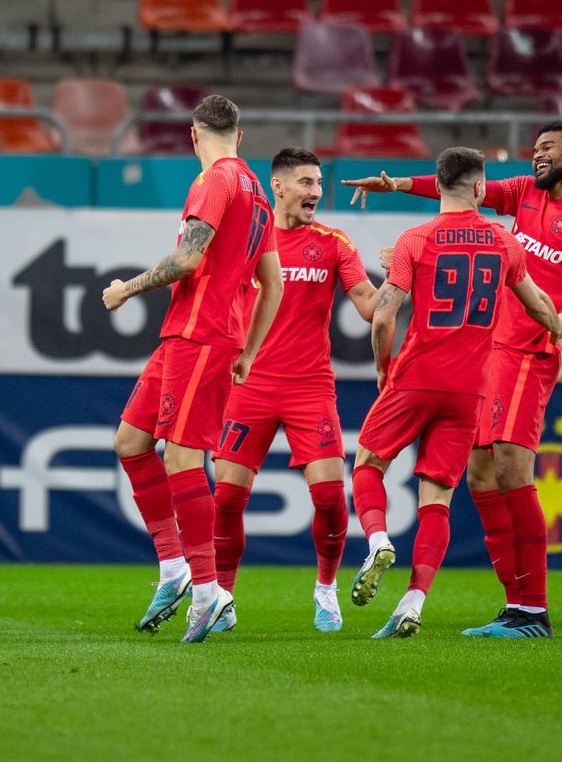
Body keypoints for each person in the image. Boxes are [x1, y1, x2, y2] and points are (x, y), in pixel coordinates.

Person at [342, 121, 562, 639]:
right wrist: (398, 185)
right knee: (478, 477)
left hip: (528, 353)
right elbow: (462, 189)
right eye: (534, 148)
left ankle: (533, 611)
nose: (536, 156)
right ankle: (515, 606)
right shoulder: (519, 195)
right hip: (484, 357)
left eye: (547, 148)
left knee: (514, 472)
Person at [104, 95, 283, 643]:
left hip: (201, 333)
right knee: (130, 442)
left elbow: (187, 259)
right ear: (241, 133)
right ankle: (174, 569)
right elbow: (271, 284)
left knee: (182, 456)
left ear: (192, 135)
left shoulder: (215, 181)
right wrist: (250, 351)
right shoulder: (258, 192)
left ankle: (208, 593)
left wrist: (125, 290)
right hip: (194, 334)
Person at [207, 147, 380, 634]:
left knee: (329, 496)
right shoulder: (247, 238)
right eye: (306, 182)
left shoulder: (332, 242)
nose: (316, 192)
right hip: (248, 382)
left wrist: (406, 278)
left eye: (319, 183)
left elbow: (368, 304)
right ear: (278, 186)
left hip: (309, 387)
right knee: (226, 500)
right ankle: (223, 596)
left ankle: (326, 589)